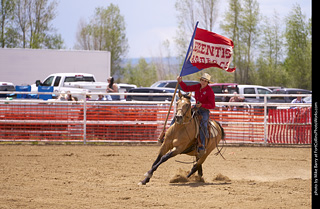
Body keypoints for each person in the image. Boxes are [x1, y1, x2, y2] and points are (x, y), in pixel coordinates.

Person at [177, 73, 216, 158]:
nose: (203, 82)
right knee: (180, 115)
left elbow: (212, 105)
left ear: (207, 82)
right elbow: (186, 88)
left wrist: (202, 105)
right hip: (196, 108)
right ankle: (169, 133)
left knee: (203, 125)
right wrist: (180, 82)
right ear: (200, 80)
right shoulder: (197, 86)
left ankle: (202, 145)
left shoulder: (210, 91)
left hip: (204, 111)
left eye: (205, 81)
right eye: (202, 80)